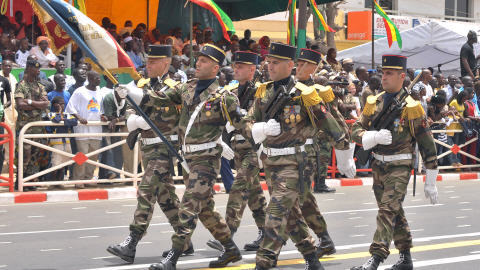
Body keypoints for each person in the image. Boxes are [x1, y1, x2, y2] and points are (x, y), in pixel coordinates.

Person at [246, 43, 352, 270]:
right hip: (271, 163)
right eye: (269, 62)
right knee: (292, 215)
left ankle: (264, 261)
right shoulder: (263, 91)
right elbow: (247, 122)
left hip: (296, 164)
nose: (270, 66)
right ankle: (313, 259)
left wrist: (346, 153)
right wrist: (259, 129)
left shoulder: (306, 95)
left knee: (275, 213)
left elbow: (333, 127)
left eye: (275, 63)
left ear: (289, 65)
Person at [148, 44, 242, 270]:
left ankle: (172, 258)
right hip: (187, 160)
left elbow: (242, 126)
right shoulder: (187, 88)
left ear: (215, 67)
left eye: (203, 61)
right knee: (206, 210)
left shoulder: (225, 97)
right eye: (197, 60)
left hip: (207, 161)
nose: (197, 64)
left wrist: (249, 149)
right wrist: (132, 93)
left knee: (188, 207)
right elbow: (160, 99)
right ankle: (230, 249)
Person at [350, 55, 438, 270]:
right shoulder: (374, 102)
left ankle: (376, 258)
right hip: (378, 166)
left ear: (401, 77)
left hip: (400, 165)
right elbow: (355, 130)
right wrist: (371, 137)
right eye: (383, 72)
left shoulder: (412, 107)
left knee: (387, 210)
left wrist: (431, 179)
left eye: (390, 73)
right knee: (394, 212)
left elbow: (427, 143)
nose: (384, 77)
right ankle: (406, 258)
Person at [206, 51, 267, 253]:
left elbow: (262, 119)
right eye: (235, 66)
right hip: (237, 147)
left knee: (238, 189)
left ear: (252, 69)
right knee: (254, 194)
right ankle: (266, 232)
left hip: (253, 147)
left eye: (241, 66)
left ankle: (227, 235)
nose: (236, 69)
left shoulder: (262, 91)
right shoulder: (231, 90)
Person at [295, 48, 353, 259]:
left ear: (312, 68)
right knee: (300, 200)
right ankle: (322, 240)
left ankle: (270, 244)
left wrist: (345, 153)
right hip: (286, 153)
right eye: (297, 63)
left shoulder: (319, 91)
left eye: (302, 64)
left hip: (308, 152)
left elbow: (335, 121)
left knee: (296, 199)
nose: (298, 68)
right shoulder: (289, 88)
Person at [14, 59, 50, 191]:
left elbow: (47, 104)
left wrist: (29, 101)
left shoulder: (40, 86)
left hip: (37, 128)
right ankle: (19, 181)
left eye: (39, 68)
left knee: (35, 156)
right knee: (24, 156)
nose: (38, 70)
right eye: (35, 68)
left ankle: (30, 181)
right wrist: (37, 104)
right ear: (29, 68)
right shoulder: (21, 85)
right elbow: (20, 105)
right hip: (25, 127)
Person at [65, 71, 104, 188]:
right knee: (82, 155)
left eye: (99, 77)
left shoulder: (100, 92)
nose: (99, 79)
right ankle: (79, 180)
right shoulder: (80, 91)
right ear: (90, 78)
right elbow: (70, 107)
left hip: (96, 130)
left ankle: (88, 178)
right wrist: (79, 117)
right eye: (96, 77)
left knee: (93, 157)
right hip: (82, 130)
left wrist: (103, 116)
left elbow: (101, 109)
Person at [46, 96, 77, 183]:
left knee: (64, 164)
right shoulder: (51, 114)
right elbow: (55, 120)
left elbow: (74, 122)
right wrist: (60, 114)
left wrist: (63, 120)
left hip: (66, 142)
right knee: (55, 164)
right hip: (56, 143)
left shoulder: (67, 114)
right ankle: (53, 183)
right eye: (60, 104)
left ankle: (59, 182)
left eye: (63, 104)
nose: (62, 105)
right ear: (55, 105)